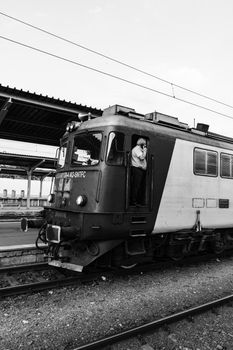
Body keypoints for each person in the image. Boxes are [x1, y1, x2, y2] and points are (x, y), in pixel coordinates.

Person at [130, 138, 147, 206]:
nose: (145, 146)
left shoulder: (139, 149)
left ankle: (136, 200)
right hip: (137, 169)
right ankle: (133, 201)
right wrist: (145, 151)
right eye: (144, 145)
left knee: (138, 185)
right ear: (142, 144)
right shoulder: (137, 149)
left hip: (139, 169)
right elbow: (142, 158)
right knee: (136, 186)